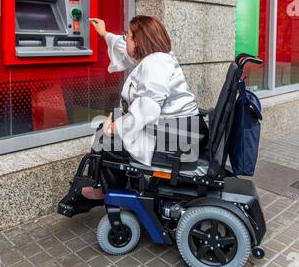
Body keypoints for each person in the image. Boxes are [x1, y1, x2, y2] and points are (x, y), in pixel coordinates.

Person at [82, 15, 209, 200]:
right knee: (107, 129)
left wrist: (117, 127)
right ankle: (119, 186)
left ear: (139, 41)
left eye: (129, 36)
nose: (125, 39)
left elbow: (149, 106)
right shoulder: (157, 59)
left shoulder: (155, 63)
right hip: (184, 128)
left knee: (105, 138)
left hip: (181, 135)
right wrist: (105, 34)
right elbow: (125, 50)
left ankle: (107, 190)